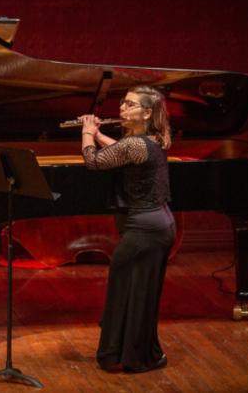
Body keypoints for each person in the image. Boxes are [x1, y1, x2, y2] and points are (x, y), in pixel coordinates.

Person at [79, 85, 175, 372]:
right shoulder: (149, 140)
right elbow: (121, 152)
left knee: (125, 291)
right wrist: (98, 134)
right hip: (159, 226)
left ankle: (127, 355)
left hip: (144, 231)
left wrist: (86, 132)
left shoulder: (134, 143)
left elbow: (94, 161)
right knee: (138, 293)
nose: (122, 108)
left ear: (147, 112)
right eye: (123, 103)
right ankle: (136, 354)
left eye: (131, 105)